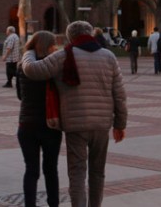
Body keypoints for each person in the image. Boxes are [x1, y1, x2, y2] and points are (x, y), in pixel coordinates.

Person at [21, 20, 127, 207]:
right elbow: (119, 94)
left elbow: (32, 70)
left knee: (77, 172)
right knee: (97, 172)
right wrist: (120, 124)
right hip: (102, 125)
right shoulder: (108, 56)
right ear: (91, 34)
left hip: (76, 126)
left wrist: (29, 52)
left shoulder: (64, 56)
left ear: (70, 37)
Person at [15, 31, 63, 207]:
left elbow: (20, 95)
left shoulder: (22, 66)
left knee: (31, 170)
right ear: (45, 46)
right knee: (51, 170)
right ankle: (53, 204)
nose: (55, 48)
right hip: (50, 125)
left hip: (26, 125)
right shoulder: (53, 68)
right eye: (52, 44)